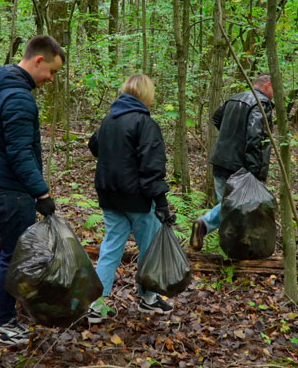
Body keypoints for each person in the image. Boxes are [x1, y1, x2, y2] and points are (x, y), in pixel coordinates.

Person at [0, 35, 64, 345]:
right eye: (51, 71)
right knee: (14, 255)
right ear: (38, 60)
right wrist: (41, 193)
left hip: (0, 185)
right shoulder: (17, 97)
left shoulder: (2, 90)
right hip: (10, 190)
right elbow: (20, 153)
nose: (51, 79)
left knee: (7, 251)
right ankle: (1, 323)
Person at [87, 74, 176, 324]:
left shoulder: (109, 120)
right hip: (137, 198)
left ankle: (97, 304)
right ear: (146, 95)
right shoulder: (144, 123)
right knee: (148, 247)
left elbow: (94, 147)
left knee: (111, 246)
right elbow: (152, 167)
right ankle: (148, 298)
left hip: (109, 195)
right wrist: (161, 203)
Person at [190, 73, 274, 251]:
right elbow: (255, 138)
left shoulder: (235, 99)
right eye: (275, 88)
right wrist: (254, 172)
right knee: (233, 209)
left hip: (221, 161)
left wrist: (232, 135)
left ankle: (232, 250)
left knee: (229, 209)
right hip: (240, 168)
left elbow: (216, 119)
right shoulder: (261, 103)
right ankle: (206, 225)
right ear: (267, 85)